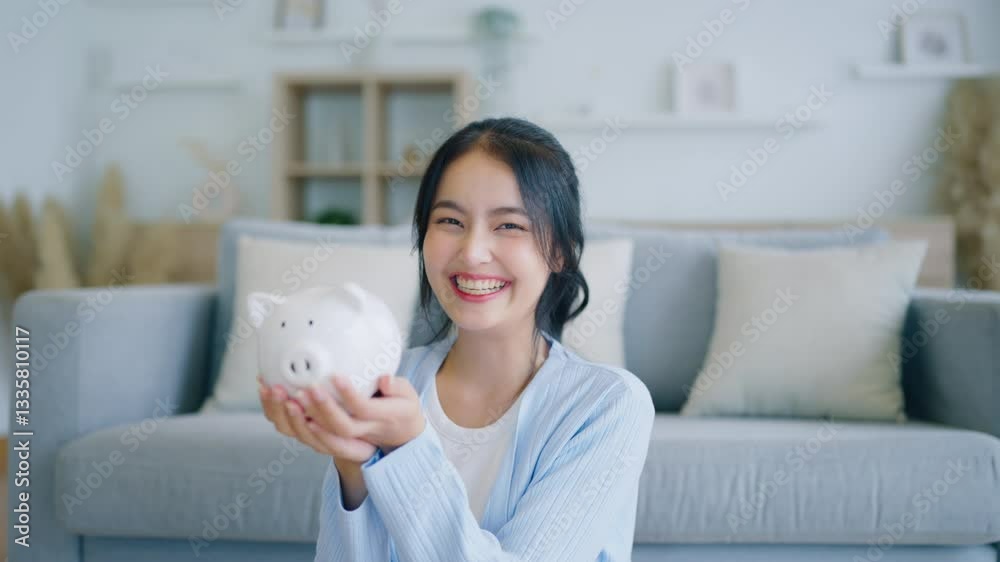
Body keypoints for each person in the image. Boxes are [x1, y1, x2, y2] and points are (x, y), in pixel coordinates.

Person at [259, 117, 654, 561]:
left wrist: (406, 451)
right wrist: (354, 467)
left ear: (560, 250)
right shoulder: (385, 379)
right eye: (450, 220)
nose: (472, 252)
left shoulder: (607, 405)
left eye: (509, 226)